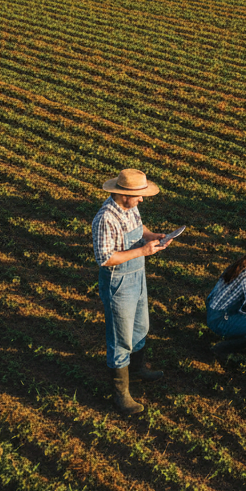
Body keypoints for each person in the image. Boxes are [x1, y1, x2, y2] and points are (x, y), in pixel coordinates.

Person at [92, 168, 174, 415]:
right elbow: (105, 258)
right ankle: (121, 395)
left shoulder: (129, 208)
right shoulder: (105, 218)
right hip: (118, 282)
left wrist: (153, 236)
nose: (142, 199)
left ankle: (138, 369)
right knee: (120, 337)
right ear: (123, 194)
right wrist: (143, 251)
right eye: (138, 196)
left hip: (137, 275)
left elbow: (139, 228)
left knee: (141, 326)